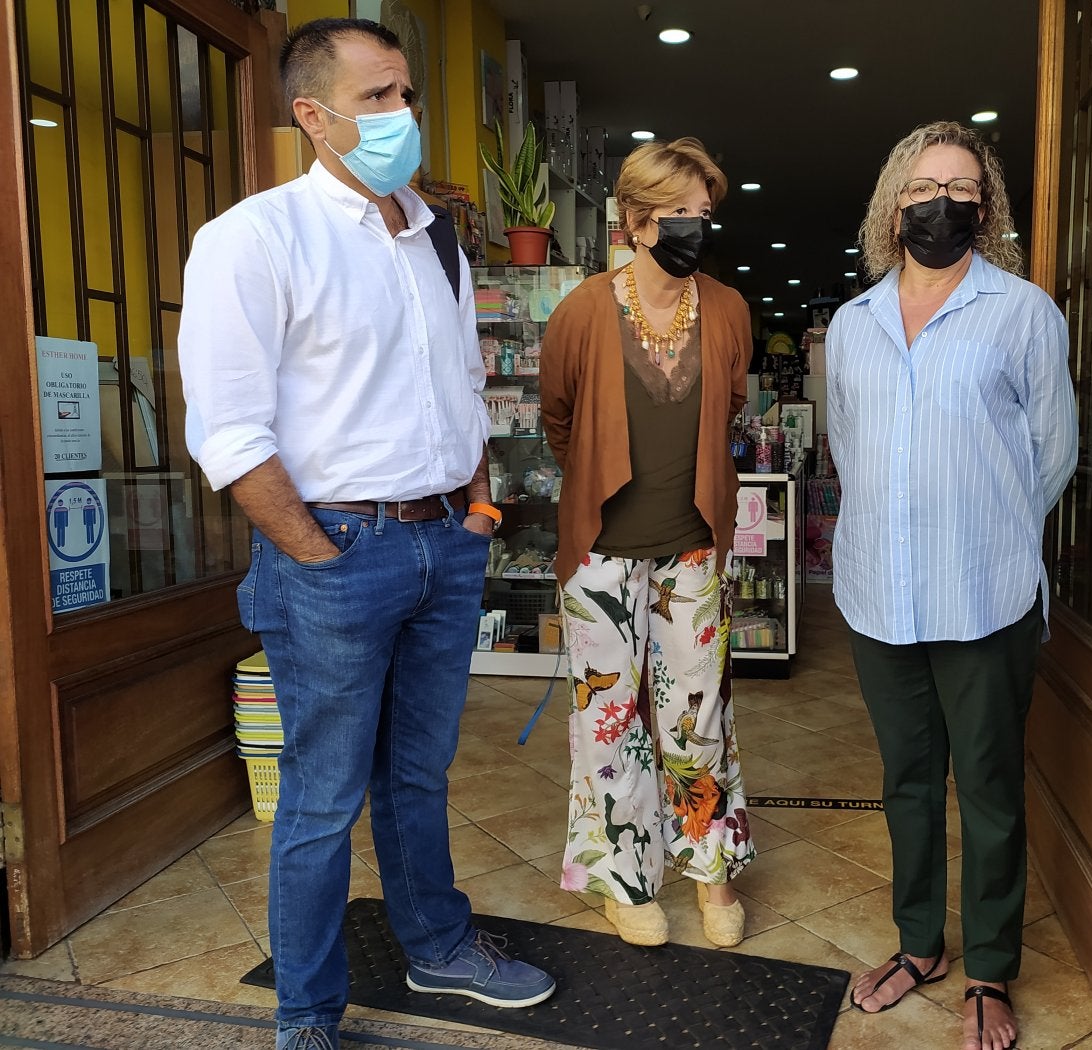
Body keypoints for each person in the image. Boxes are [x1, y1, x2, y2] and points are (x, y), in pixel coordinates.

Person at [178, 19, 554, 1049]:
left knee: (418, 774)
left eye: (405, 95)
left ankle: (435, 945)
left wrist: (473, 505)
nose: (403, 117)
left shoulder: (430, 234)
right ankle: (305, 1017)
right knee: (320, 798)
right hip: (336, 551)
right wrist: (312, 551)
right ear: (313, 115)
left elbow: (460, 387)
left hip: (443, 544)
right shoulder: (252, 239)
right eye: (378, 98)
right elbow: (228, 429)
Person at [827, 121, 1077, 1050]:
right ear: (896, 204)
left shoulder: (1022, 313)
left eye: (964, 188)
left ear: (986, 206)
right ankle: (919, 943)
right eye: (926, 185)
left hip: (985, 588)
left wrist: (989, 528)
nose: (944, 200)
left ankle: (990, 970)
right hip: (878, 589)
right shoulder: (852, 327)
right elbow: (850, 448)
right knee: (905, 781)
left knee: (989, 785)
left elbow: (1054, 455)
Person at [539, 137, 755, 949]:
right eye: (680, 215)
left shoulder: (728, 309)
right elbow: (559, 419)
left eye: (705, 215)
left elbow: (726, 410)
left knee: (699, 718)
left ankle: (711, 871)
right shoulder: (582, 310)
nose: (697, 229)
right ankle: (624, 879)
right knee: (611, 721)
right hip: (602, 551)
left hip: (694, 545)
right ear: (634, 220)